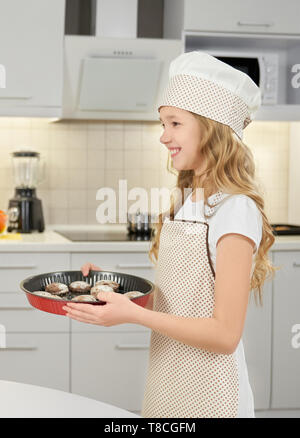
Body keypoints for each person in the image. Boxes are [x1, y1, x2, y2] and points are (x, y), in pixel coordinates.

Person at [63, 51, 277, 418]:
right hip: (169, 376)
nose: (164, 136)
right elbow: (184, 299)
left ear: (211, 127)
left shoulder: (235, 209)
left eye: (174, 123)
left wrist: (133, 316)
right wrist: (112, 291)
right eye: (163, 123)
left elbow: (225, 336)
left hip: (211, 390)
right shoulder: (187, 199)